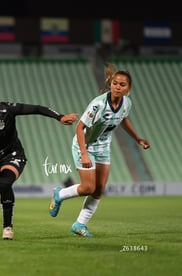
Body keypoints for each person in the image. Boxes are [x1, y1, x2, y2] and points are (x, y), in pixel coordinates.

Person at [0, 81, 78, 240]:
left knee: (4, 183)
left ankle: (7, 228)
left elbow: (37, 108)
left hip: (13, 154)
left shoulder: (7, 109)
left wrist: (60, 117)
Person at [48, 62, 150, 236]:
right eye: (115, 83)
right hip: (84, 145)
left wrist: (137, 138)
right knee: (88, 187)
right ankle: (60, 194)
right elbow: (79, 128)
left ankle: (79, 224)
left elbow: (123, 119)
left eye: (122, 85)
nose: (117, 87)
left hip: (103, 146)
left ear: (129, 88)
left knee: (99, 189)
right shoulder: (98, 104)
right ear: (110, 84)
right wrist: (85, 154)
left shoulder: (127, 103)